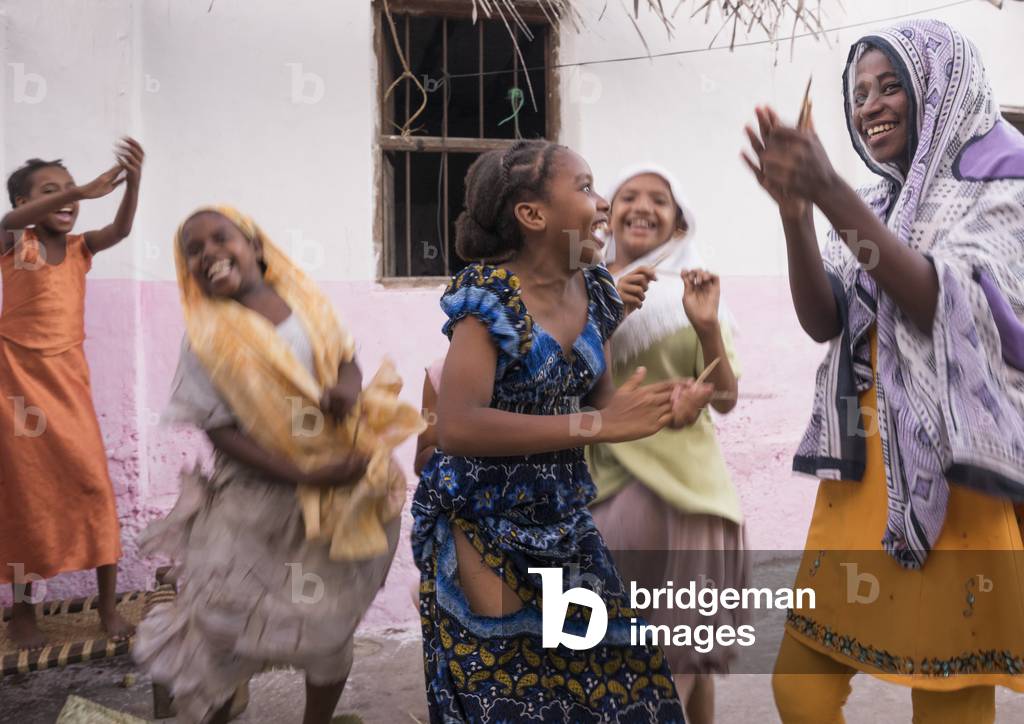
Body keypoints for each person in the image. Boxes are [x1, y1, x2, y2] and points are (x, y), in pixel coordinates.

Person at [743, 19, 1024, 723]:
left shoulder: (1007, 183)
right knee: (799, 689)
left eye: (890, 85)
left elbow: (942, 302)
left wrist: (831, 193)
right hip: (862, 477)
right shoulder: (878, 205)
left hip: (957, 486)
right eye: (859, 91)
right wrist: (797, 215)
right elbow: (825, 320)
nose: (868, 105)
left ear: (942, 88)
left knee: (946, 703)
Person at [413, 139, 708, 723]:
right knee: (514, 692)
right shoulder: (490, 297)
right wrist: (601, 423)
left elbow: (592, 401)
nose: (603, 204)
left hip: (563, 521)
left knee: (625, 683)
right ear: (532, 215)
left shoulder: (596, 292)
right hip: (484, 524)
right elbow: (458, 426)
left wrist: (649, 407)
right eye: (585, 187)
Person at [133, 206, 423, 724]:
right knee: (224, 618)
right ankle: (220, 707)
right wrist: (302, 474)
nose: (208, 254)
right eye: (193, 250)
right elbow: (217, 427)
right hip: (255, 497)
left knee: (329, 623)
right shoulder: (206, 337)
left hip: (340, 490)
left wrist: (347, 389)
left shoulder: (306, 303)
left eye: (221, 238)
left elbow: (346, 358)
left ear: (256, 247)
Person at [587, 164, 744, 724]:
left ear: (678, 222)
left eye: (660, 198)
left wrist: (704, 328)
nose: (643, 207)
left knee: (685, 658)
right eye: (629, 195)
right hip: (606, 493)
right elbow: (565, 385)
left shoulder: (693, 287)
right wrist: (609, 311)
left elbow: (724, 396)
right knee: (625, 660)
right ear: (607, 213)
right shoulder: (578, 287)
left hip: (692, 500)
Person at [0, 140, 144, 650]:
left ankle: (107, 607)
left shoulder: (82, 248)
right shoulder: (15, 242)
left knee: (94, 488)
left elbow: (122, 228)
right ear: (24, 204)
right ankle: (23, 613)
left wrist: (134, 179)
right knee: (25, 497)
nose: (65, 198)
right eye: (50, 190)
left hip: (69, 385)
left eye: (69, 189)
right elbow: (3, 222)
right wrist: (83, 188)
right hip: (17, 387)